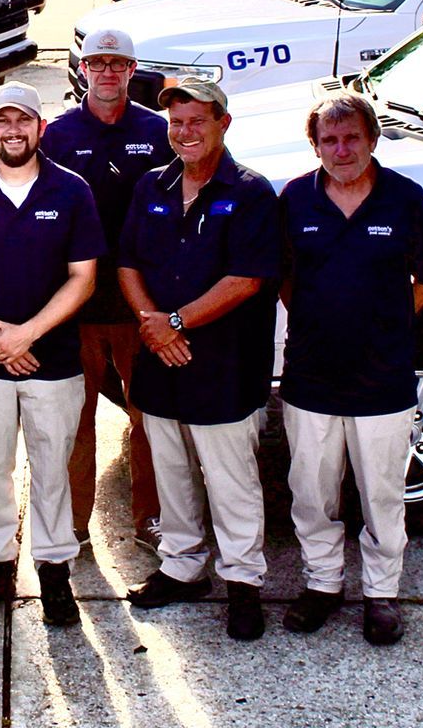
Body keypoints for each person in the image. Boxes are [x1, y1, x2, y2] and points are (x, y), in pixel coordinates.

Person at [0, 82, 105, 626]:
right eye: (2, 122)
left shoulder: (72, 191)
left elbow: (84, 278)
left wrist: (26, 334)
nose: (12, 131)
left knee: (52, 469)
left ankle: (55, 574)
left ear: (40, 128)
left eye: (23, 121)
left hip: (54, 363)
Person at [278, 91, 423, 647]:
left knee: (382, 495)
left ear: (371, 140)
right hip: (311, 376)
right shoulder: (296, 199)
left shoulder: (406, 199)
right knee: (312, 491)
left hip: (383, 378)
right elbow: (284, 279)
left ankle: (381, 594)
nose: (341, 149)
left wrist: (383, 324)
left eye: (352, 138)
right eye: (330, 139)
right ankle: (322, 586)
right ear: (315, 146)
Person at [118, 77, 281, 642]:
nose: (184, 133)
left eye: (196, 121)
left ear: (222, 125)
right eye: (176, 122)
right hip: (161, 359)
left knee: (231, 480)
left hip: (225, 365)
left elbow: (247, 279)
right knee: (172, 471)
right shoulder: (151, 186)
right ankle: (182, 568)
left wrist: (176, 322)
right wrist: (152, 326)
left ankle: (243, 583)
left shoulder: (252, 193)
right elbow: (128, 265)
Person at [41, 28, 171, 553]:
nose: (108, 73)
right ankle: (74, 522)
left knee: (148, 418)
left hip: (140, 304)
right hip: (77, 305)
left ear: (132, 70)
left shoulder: (158, 131)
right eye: (98, 63)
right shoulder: (58, 134)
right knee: (78, 419)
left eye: (118, 63)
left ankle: (150, 517)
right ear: (83, 69)